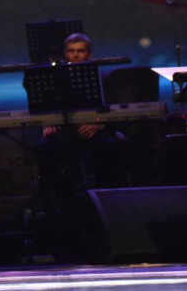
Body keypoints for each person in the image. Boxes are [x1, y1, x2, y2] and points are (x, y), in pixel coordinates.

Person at [32, 33, 128, 212]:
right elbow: (44, 106)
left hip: (96, 131)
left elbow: (114, 110)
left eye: (80, 51)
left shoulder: (103, 78)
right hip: (65, 133)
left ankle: (111, 201)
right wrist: (47, 123)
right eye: (71, 51)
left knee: (112, 146)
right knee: (44, 147)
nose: (75, 55)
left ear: (89, 54)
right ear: (65, 53)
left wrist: (99, 125)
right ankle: (58, 203)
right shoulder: (55, 79)